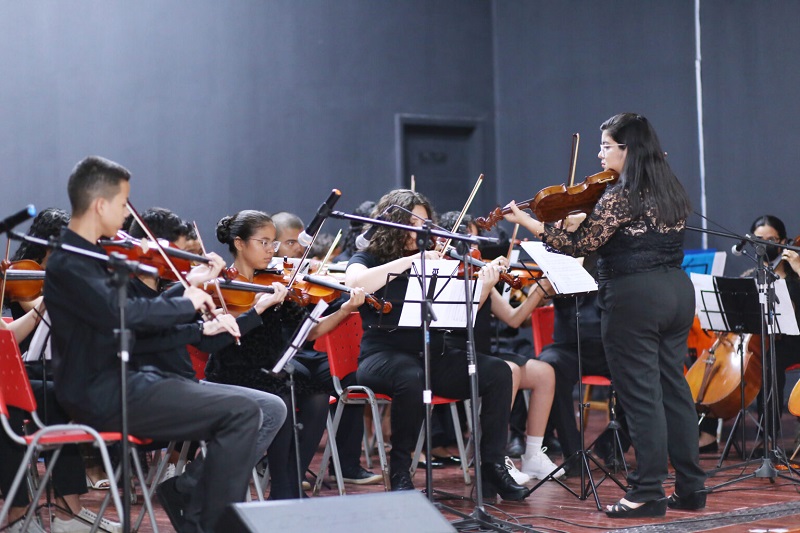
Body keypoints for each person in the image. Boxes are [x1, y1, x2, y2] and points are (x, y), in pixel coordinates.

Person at [44, 156, 263, 532]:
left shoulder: (91, 256)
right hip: (101, 391)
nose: (127, 212)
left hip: (124, 381)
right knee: (243, 412)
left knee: (242, 409)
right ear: (100, 204)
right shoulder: (72, 261)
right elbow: (125, 315)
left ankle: (203, 517)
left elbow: (131, 322)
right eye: (123, 202)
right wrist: (186, 301)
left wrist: (195, 326)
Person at [504, 113, 707, 517]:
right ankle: (691, 487)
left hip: (635, 296)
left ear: (627, 149)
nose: (599, 155)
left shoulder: (621, 194)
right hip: (677, 291)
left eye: (606, 146)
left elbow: (580, 244)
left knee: (641, 395)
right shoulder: (670, 189)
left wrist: (530, 222)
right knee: (673, 390)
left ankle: (647, 492)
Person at [345, 189, 528, 501]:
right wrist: (407, 262)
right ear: (396, 223)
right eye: (417, 223)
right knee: (409, 376)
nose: (425, 231)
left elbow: (461, 316)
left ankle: (492, 466)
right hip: (382, 355)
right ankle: (402, 472)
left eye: (427, 223)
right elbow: (353, 283)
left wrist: (483, 285)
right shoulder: (369, 257)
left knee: (498, 371)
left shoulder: (438, 259)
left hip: (432, 354)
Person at [125, 207, 288, 517]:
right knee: (246, 414)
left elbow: (207, 343)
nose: (184, 261)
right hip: (151, 391)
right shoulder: (128, 292)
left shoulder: (173, 290)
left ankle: (189, 486)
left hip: (187, 385)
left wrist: (257, 310)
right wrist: (188, 292)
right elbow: (143, 335)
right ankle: (214, 510)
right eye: (180, 251)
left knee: (273, 408)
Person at [205, 209, 368, 498]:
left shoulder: (272, 283)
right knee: (281, 395)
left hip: (271, 367)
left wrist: (345, 309)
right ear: (240, 244)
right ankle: (283, 487)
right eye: (264, 242)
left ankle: (288, 482)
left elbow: (312, 330)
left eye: (273, 243)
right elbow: (217, 339)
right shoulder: (219, 286)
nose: (272, 250)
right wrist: (259, 308)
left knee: (318, 394)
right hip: (232, 370)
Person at [437, 211, 563, 482]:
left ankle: (532, 454)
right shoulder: (448, 276)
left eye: (476, 237)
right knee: (509, 371)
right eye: (468, 238)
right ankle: (496, 456)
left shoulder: (479, 274)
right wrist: (485, 285)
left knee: (544, 372)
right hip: (454, 357)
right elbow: (460, 319)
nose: (476, 244)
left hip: (483, 355)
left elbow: (514, 319)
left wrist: (538, 291)